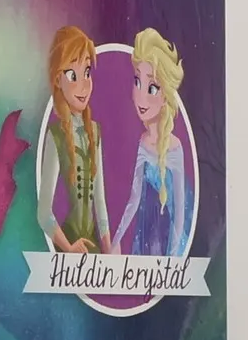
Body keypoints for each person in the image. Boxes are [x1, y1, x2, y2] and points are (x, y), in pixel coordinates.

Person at [112, 27, 189, 257]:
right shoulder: (142, 143)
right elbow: (134, 199)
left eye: (152, 88)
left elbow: (179, 216)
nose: (141, 96)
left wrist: (172, 261)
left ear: (166, 95)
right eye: (137, 82)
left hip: (169, 244)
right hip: (145, 238)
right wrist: (116, 240)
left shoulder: (176, 149)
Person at [35, 24, 111, 253]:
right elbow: (43, 213)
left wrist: (109, 252)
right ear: (58, 80)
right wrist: (68, 248)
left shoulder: (95, 132)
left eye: (87, 72)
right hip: (68, 246)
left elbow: (100, 201)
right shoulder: (56, 135)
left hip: (94, 247)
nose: (83, 85)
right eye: (72, 75)